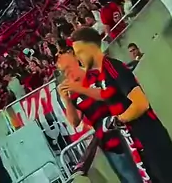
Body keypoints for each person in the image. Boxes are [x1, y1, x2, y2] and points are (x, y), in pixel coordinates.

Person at [71, 27, 172, 183]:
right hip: (137, 144)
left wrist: (118, 120)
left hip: (151, 140)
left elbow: (141, 103)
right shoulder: (101, 75)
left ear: (91, 47)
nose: (78, 58)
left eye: (80, 52)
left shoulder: (113, 68)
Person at [57, 51, 140, 183]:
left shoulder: (96, 73)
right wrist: (66, 100)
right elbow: (74, 122)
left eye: (68, 67)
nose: (67, 73)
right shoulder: (73, 93)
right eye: (63, 71)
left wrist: (82, 88)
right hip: (109, 142)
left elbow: (110, 94)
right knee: (131, 179)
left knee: (150, 167)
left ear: (76, 61)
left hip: (129, 129)